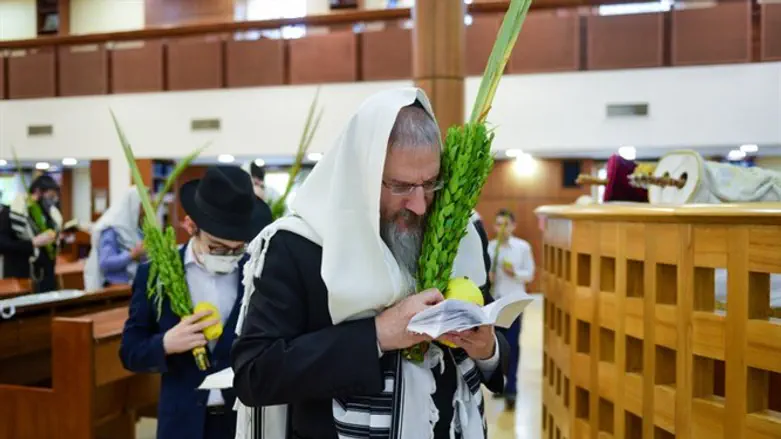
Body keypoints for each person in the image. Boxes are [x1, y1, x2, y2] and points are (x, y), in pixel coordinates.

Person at [231, 88, 509, 439]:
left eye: (430, 183)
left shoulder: (462, 233)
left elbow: (491, 344)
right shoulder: (297, 245)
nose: (421, 205)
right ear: (361, 174)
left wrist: (487, 349)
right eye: (401, 186)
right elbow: (255, 374)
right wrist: (378, 334)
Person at [119, 166, 272, 439]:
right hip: (181, 422)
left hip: (239, 421)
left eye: (238, 249)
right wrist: (166, 342)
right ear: (191, 226)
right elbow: (130, 352)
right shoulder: (155, 276)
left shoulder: (255, 272)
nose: (229, 256)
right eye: (217, 247)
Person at [487, 208, 535, 410]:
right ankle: (501, 385)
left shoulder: (522, 247)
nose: (502, 228)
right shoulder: (490, 248)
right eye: (499, 224)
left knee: (513, 345)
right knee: (498, 346)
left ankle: (512, 388)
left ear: (513, 226)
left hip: (514, 303)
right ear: (494, 226)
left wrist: (514, 272)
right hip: (496, 304)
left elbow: (530, 274)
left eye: (506, 224)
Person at [0, 174, 62, 293]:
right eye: (50, 196)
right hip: (20, 278)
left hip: (46, 278)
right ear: (37, 192)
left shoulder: (51, 214)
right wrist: (32, 243)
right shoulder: (12, 212)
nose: (53, 200)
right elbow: (2, 245)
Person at [83, 187, 145, 291]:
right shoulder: (111, 230)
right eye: (142, 206)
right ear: (133, 206)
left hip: (134, 284)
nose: (144, 211)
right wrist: (131, 255)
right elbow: (105, 262)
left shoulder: (135, 230)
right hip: (116, 288)